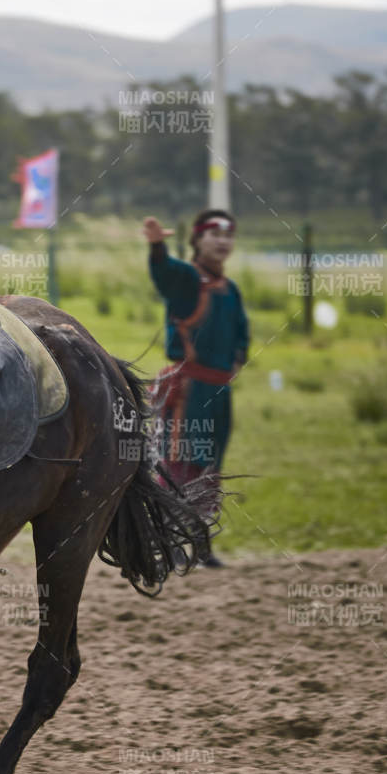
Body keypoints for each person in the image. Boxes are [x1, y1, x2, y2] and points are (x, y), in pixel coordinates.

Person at [141, 210, 248, 568]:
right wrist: (157, 246)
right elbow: (164, 274)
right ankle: (166, 541)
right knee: (179, 464)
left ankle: (202, 546)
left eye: (228, 236)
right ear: (198, 240)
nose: (222, 242)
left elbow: (241, 337)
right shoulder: (188, 279)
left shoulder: (230, 289)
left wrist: (237, 359)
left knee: (210, 467)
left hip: (219, 394)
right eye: (214, 235)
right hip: (188, 392)